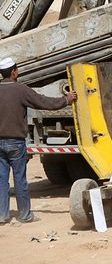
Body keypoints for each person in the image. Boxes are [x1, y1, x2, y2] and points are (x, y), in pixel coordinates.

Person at [0, 57, 77, 223]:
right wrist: (66, 100)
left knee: (2, 180)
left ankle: (2, 215)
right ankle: (25, 215)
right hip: (16, 142)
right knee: (19, 178)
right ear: (14, 71)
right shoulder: (20, 90)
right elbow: (43, 102)